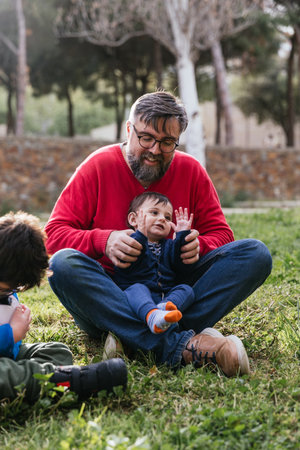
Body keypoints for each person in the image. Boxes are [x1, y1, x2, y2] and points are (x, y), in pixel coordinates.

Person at [46, 90, 272, 377]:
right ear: (129, 130)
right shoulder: (98, 166)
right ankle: (189, 345)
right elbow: (53, 235)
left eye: (167, 143)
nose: (154, 150)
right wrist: (104, 240)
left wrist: (197, 245)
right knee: (63, 264)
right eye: (146, 138)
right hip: (114, 294)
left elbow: (222, 236)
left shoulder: (191, 170)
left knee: (255, 254)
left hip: (174, 294)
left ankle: (129, 338)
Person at [0, 211, 127, 403]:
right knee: (4, 372)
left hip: (9, 354)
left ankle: (41, 379)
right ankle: (64, 381)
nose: (9, 294)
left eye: (14, 289)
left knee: (57, 352)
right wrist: (11, 333)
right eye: (5, 290)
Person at [114, 191, 196, 334]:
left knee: (186, 289)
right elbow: (126, 264)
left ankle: (164, 310)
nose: (162, 219)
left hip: (164, 295)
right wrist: (140, 234)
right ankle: (152, 315)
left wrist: (182, 236)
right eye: (154, 213)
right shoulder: (129, 242)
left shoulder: (169, 245)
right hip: (138, 297)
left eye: (167, 217)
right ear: (133, 219)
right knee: (137, 289)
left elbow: (181, 265)